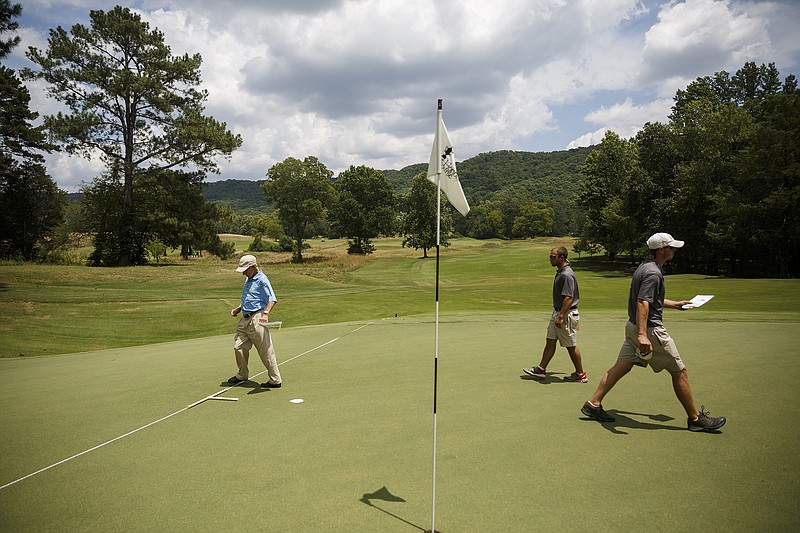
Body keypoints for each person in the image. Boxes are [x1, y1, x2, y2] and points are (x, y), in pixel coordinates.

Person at [580, 233, 726, 432]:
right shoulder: (653, 273)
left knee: (622, 366)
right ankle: (695, 419)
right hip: (650, 331)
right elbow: (643, 302)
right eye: (672, 248)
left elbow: (648, 298)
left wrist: (674, 304)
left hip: (633, 327)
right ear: (661, 250)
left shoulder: (644, 267)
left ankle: (593, 404)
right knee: (679, 371)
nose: (674, 251)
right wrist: (643, 335)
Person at [523, 246, 587, 382]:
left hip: (566, 314)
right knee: (550, 341)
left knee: (570, 345)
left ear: (561, 257)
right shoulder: (561, 272)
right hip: (558, 312)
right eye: (550, 257)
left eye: (552, 257)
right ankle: (541, 369)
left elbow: (569, 297)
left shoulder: (567, 274)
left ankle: (580, 374)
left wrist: (561, 316)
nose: (550, 259)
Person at [227, 254, 283, 389]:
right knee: (238, 347)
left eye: (245, 270)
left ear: (253, 267)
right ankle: (242, 375)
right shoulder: (248, 279)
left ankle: (275, 380)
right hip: (244, 319)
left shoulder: (262, 280)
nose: (243, 273)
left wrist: (266, 313)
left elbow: (272, 299)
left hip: (257, 318)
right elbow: (251, 298)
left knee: (265, 351)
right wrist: (239, 308)